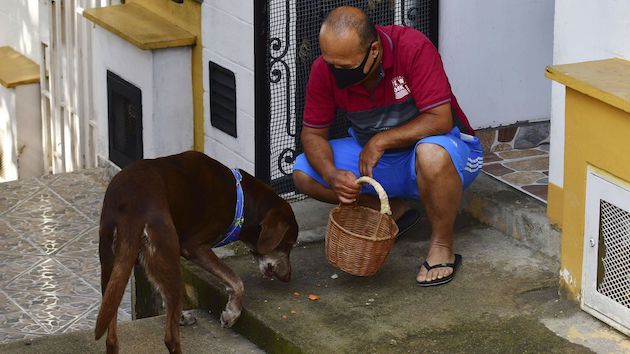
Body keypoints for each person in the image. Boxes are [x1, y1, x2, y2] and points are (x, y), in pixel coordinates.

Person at [293, 6, 483, 287]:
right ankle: (391, 210)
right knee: (304, 172)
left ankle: (442, 244)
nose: (335, 72)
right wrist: (332, 175)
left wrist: (381, 140)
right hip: (373, 157)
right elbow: (312, 134)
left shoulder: (413, 48)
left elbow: (440, 120)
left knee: (431, 153)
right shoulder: (325, 68)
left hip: (437, 151)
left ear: (374, 50)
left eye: (344, 67)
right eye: (330, 62)